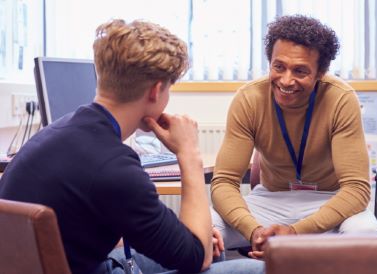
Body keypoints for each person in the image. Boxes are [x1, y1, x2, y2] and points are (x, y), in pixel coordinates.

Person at [0, 19, 264, 274]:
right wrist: (189, 153)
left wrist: (188, 237)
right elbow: (198, 258)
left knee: (209, 246)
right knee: (261, 268)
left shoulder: (57, 132)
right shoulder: (114, 167)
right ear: (156, 90)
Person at [210, 14, 377, 259]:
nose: (286, 80)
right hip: (270, 201)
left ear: (320, 72)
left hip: (329, 201)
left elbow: (356, 189)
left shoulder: (341, 99)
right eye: (279, 66)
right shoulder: (249, 99)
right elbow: (224, 182)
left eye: (300, 71)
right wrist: (254, 231)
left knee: (365, 234)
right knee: (204, 228)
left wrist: (296, 232)